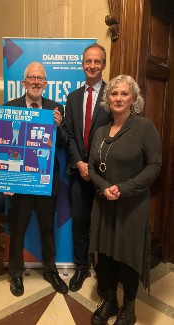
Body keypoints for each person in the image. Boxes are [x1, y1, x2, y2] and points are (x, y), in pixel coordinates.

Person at [88, 75, 162, 325]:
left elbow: (154, 165)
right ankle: (110, 300)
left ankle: (129, 306)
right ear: (107, 99)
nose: (118, 98)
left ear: (134, 98)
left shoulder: (145, 127)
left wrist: (123, 188)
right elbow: (92, 167)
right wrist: (105, 187)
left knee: (127, 256)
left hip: (132, 205)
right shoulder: (99, 131)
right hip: (103, 203)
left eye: (124, 93)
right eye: (113, 94)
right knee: (106, 255)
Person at [4, 62, 68, 296]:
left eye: (40, 78)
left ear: (46, 83)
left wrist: (58, 127)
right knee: (18, 228)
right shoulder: (10, 107)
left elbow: (63, 143)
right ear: (24, 82)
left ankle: (50, 271)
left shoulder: (55, 108)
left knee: (47, 228)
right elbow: (6, 146)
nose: (36, 82)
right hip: (21, 181)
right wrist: (7, 180)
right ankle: (16, 274)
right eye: (32, 77)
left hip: (46, 180)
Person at [64, 43, 111, 292]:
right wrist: (79, 163)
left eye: (97, 61)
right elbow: (69, 134)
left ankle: (103, 270)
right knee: (80, 223)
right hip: (78, 173)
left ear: (103, 64)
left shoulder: (112, 96)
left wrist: (92, 166)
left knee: (104, 223)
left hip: (103, 174)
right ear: (82, 65)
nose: (92, 66)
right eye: (88, 62)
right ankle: (82, 267)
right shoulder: (72, 98)